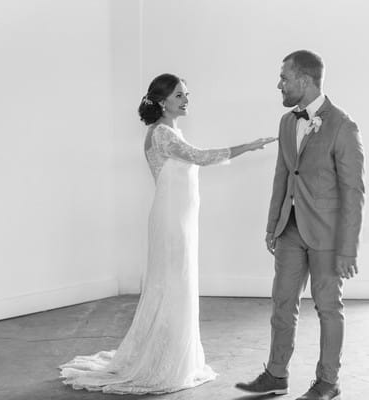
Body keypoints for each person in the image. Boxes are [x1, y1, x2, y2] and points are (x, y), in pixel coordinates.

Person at [59, 73, 276, 394]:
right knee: (173, 283)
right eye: (179, 96)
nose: (186, 100)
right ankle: (163, 359)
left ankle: (172, 353)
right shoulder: (161, 133)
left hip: (181, 218)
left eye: (186, 94)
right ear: (162, 102)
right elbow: (200, 157)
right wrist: (248, 146)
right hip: (171, 219)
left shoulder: (171, 130)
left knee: (178, 283)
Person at [235, 50, 365, 400]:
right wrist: (272, 224)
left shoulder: (342, 125)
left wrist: (348, 249)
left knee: (327, 308)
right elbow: (282, 174)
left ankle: (327, 382)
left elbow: (354, 193)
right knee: (282, 302)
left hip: (326, 235)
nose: (280, 84)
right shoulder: (287, 122)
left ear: (305, 81)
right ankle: (276, 374)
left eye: (284, 77)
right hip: (289, 230)